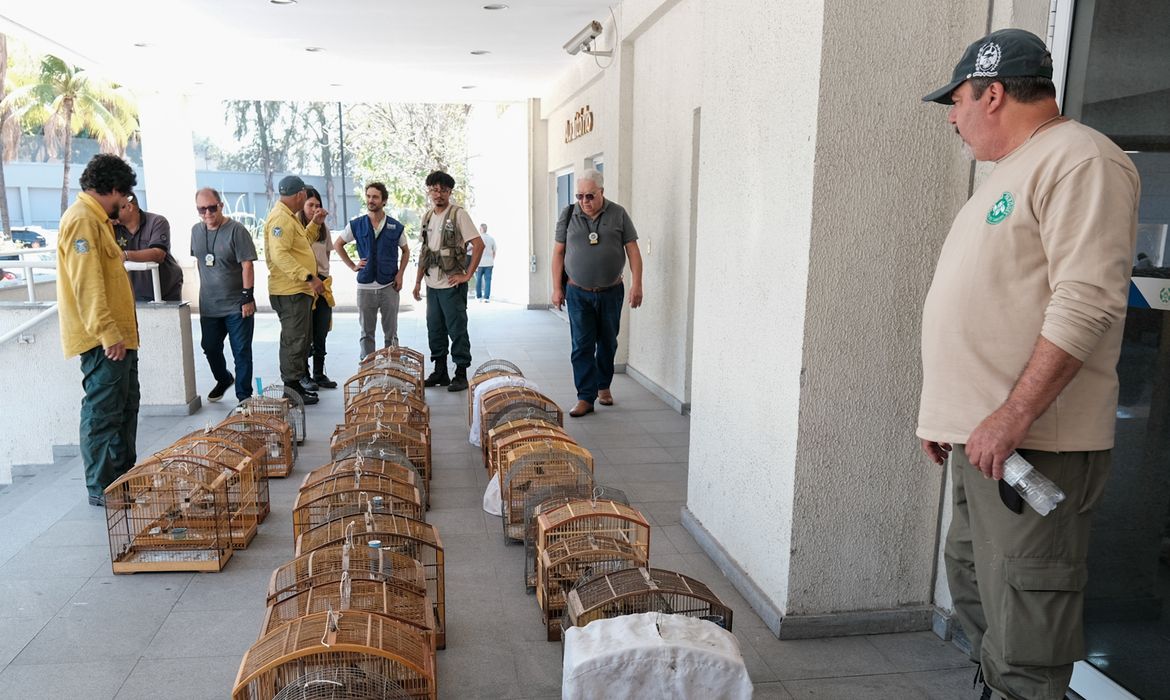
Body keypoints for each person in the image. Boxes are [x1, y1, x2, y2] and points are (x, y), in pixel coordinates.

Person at [917, 29, 1140, 700]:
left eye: (956, 102)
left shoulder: (1082, 161)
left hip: (1034, 444)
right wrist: (946, 414)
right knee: (978, 590)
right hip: (983, 441)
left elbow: (1086, 301)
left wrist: (1011, 413)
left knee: (1027, 622)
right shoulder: (1010, 173)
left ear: (992, 93)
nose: (952, 118)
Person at [55, 154, 140, 507]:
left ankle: (121, 480)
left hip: (119, 336)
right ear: (115, 189)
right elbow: (86, 284)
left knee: (125, 406)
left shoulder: (98, 220)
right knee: (103, 411)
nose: (128, 203)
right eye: (127, 196)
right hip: (105, 341)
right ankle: (102, 486)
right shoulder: (82, 221)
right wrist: (108, 332)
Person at [551, 169, 643, 418]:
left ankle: (604, 385)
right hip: (578, 292)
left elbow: (633, 251)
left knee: (607, 342)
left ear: (602, 192)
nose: (584, 201)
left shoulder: (618, 214)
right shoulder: (569, 214)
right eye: (580, 196)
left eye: (590, 196)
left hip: (611, 291)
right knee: (581, 345)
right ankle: (585, 397)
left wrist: (637, 284)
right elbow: (558, 252)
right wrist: (557, 288)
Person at [412, 171, 483, 392]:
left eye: (443, 190)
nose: (438, 194)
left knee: (457, 329)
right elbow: (425, 252)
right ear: (429, 191)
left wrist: (468, 275)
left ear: (450, 192)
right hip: (431, 285)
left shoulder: (458, 214)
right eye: (434, 189)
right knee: (435, 329)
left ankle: (460, 373)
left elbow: (478, 244)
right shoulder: (427, 217)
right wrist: (417, 282)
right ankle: (440, 371)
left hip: (452, 284)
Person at [264, 175, 327, 405]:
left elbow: (300, 246)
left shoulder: (289, 218)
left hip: (298, 290)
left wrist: (315, 224)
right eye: (306, 196)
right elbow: (280, 255)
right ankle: (291, 390)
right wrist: (309, 277)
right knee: (294, 340)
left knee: (300, 338)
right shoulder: (280, 219)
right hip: (290, 291)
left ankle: (296, 384)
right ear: (300, 194)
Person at [191, 187, 258, 403]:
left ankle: (243, 398)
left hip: (237, 305)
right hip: (209, 306)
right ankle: (223, 378)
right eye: (202, 209)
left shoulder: (236, 230)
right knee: (210, 347)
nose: (208, 213)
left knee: (241, 352)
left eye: (212, 208)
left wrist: (247, 297)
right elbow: (201, 262)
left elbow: (247, 265)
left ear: (221, 205)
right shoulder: (195, 231)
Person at [334, 182, 409, 362]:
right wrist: (353, 265)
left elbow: (406, 251)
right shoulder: (357, 225)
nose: (370, 200)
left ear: (384, 201)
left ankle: (392, 368)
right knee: (366, 333)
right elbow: (337, 244)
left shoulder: (395, 226)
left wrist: (400, 275)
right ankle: (367, 371)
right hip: (365, 286)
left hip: (389, 285)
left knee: (391, 333)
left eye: (375, 197)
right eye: (368, 196)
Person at [296, 187, 339, 389]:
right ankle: (303, 375)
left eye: (317, 205)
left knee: (321, 330)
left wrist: (323, 277)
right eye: (310, 205)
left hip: (322, 283)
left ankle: (319, 373)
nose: (314, 209)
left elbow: (327, 256)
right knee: (306, 333)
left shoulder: (323, 229)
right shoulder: (297, 228)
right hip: (305, 283)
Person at [113, 193, 183, 302]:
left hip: (166, 293)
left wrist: (126, 255)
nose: (110, 214)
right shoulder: (112, 228)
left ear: (129, 207)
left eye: (114, 210)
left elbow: (158, 254)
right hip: (133, 295)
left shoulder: (157, 221)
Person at [475, 223, 497, 302]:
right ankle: (486, 298)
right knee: (488, 280)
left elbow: (475, 251)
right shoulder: (491, 239)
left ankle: (479, 297)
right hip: (489, 263)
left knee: (478, 280)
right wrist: (492, 259)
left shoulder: (478, 239)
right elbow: (494, 251)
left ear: (481, 229)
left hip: (479, 263)